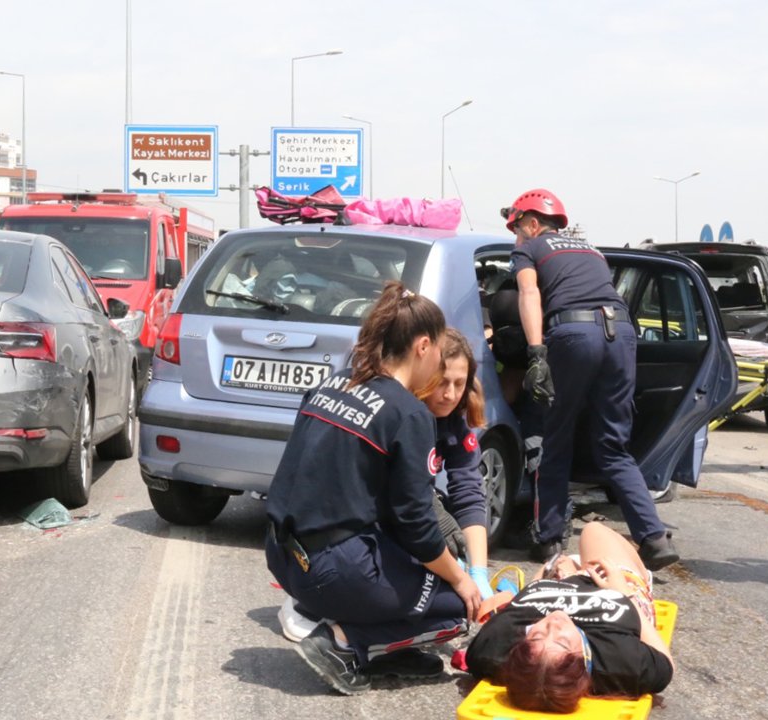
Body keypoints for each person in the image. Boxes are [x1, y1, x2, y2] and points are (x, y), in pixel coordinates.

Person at [265, 281, 483, 695]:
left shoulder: (335, 383)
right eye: (438, 350)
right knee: (457, 608)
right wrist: (464, 579)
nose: (439, 362)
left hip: (283, 554)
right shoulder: (407, 412)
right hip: (333, 571)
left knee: (414, 567)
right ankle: (343, 643)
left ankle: (381, 648)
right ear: (423, 346)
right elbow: (416, 524)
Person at [504, 189, 678, 570]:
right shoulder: (591, 250)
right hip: (621, 334)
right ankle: (653, 538)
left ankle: (548, 539)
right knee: (613, 447)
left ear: (533, 223)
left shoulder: (530, 249)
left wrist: (536, 353)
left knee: (556, 439)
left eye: (517, 228)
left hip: (573, 335)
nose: (516, 237)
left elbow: (529, 294)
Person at [465, 522, 674, 713]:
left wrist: (548, 576)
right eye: (563, 641)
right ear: (582, 663)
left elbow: (524, 599)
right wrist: (624, 593)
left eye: (537, 636)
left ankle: (571, 568)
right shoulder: (619, 661)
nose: (554, 623)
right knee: (593, 530)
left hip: (559, 580)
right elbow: (666, 663)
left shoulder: (490, 650)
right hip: (612, 585)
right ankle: (642, 572)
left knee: (573, 553)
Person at [419, 328, 495, 599]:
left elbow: (469, 492)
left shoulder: (454, 423)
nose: (450, 394)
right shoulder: (405, 416)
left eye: (459, 383)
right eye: (442, 382)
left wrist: (478, 573)